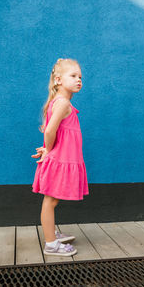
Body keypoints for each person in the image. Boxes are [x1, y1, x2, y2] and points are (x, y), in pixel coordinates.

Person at [31, 58, 89, 256]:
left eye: (80, 76)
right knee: (50, 201)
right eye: (73, 76)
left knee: (52, 201)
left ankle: (52, 233)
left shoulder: (62, 103)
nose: (78, 80)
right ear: (58, 80)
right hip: (59, 161)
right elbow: (49, 131)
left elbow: (57, 133)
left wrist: (48, 149)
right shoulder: (63, 103)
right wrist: (48, 149)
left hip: (60, 159)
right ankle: (51, 243)